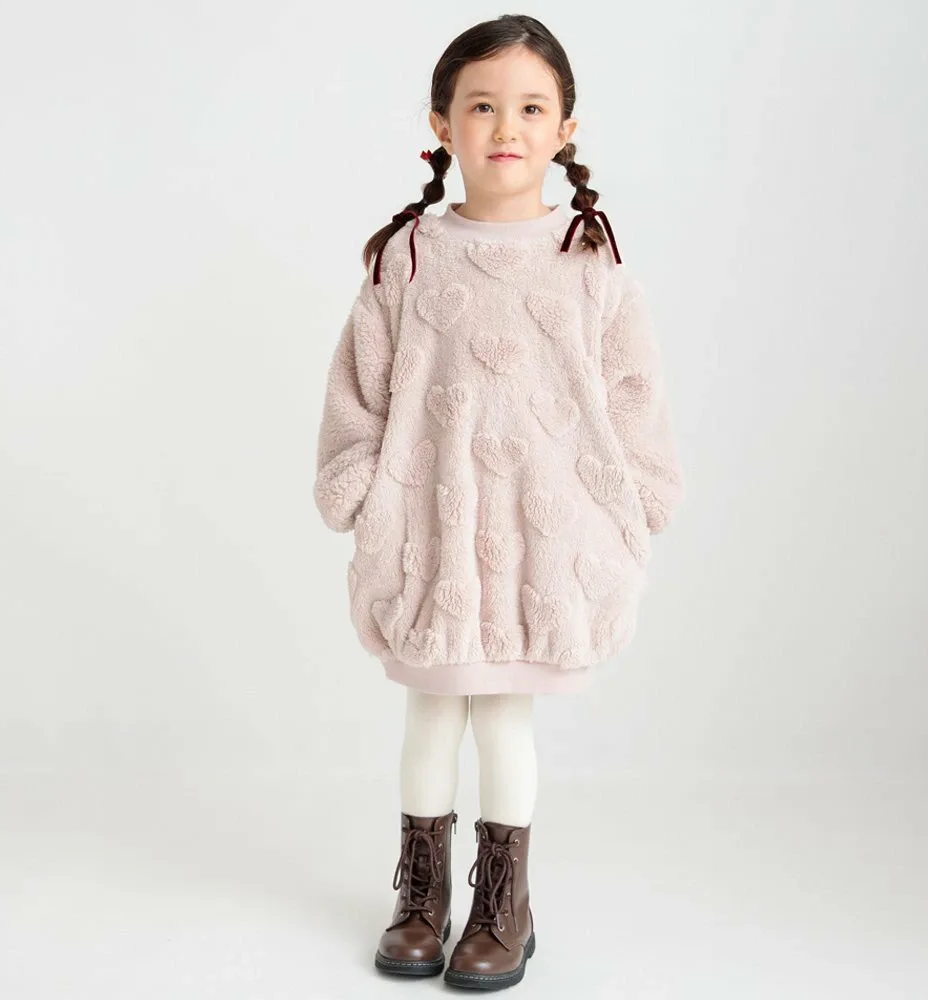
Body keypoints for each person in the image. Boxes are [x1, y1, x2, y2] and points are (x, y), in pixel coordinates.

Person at [313, 13, 684, 991]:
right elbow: (359, 387)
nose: (505, 127)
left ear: (566, 128)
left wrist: (636, 496)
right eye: (481, 107)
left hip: (540, 541)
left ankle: (503, 907)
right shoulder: (407, 259)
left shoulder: (588, 259)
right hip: (428, 531)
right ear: (442, 125)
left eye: (529, 108)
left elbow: (632, 391)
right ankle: (420, 897)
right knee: (432, 715)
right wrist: (359, 486)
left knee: (504, 720)